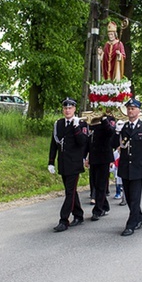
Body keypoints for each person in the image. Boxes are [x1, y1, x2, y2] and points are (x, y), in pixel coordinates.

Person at [111, 98, 142, 236]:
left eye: (133, 108)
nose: (130, 111)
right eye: (129, 108)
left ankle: (131, 224)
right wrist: (116, 132)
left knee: (135, 197)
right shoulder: (123, 127)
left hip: (138, 167)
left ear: (139, 111)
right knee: (129, 197)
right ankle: (139, 217)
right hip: (125, 167)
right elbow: (114, 145)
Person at [48, 98, 89, 232]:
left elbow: (82, 142)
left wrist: (76, 127)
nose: (67, 110)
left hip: (74, 163)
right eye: (65, 108)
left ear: (74, 109)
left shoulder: (80, 124)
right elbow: (54, 144)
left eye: (70, 108)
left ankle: (63, 220)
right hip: (63, 163)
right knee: (70, 191)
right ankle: (78, 214)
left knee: (69, 192)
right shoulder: (58, 124)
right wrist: (51, 162)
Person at [86, 112, 116, 221]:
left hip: (104, 157)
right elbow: (89, 140)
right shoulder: (92, 121)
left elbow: (110, 132)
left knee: (101, 184)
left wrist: (104, 119)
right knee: (94, 183)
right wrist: (86, 156)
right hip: (94, 156)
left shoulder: (109, 120)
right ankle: (105, 205)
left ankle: (97, 210)